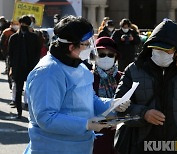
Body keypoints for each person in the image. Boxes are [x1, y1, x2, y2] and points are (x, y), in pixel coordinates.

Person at [23, 15, 130, 154]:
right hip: (52, 149)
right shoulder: (48, 72)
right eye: (86, 44)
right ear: (71, 47)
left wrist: (113, 105)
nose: (90, 48)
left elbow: (91, 100)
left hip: (81, 147)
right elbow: (46, 118)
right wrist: (86, 124)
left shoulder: (80, 67)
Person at [114, 19, 177, 154]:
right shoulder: (133, 70)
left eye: (166, 50)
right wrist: (143, 114)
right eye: (156, 48)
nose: (160, 52)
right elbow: (118, 107)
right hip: (142, 145)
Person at [93, 37, 122, 154]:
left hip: (118, 136)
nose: (106, 58)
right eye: (101, 54)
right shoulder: (85, 78)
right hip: (94, 135)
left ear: (115, 58)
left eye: (110, 55)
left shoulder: (124, 78)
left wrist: (122, 122)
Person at [8, 15, 40, 118]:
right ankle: (20, 112)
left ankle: (26, 112)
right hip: (21, 67)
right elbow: (10, 55)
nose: (22, 25)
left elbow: (37, 53)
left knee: (28, 91)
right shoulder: (14, 37)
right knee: (20, 90)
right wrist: (11, 68)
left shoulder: (33, 37)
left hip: (28, 68)